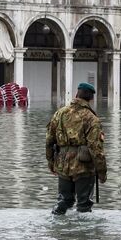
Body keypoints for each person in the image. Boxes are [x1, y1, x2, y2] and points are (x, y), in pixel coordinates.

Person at [45, 82, 107, 215]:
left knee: (64, 200)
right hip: (83, 166)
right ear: (91, 99)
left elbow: (49, 141)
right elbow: (96, 148)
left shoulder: (59, 113)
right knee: (84, 205)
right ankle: (83, 234)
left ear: (76, 94)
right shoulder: (92, 119)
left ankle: (57, 223)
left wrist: (51, 162)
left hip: (62, 163)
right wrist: (102, 172)